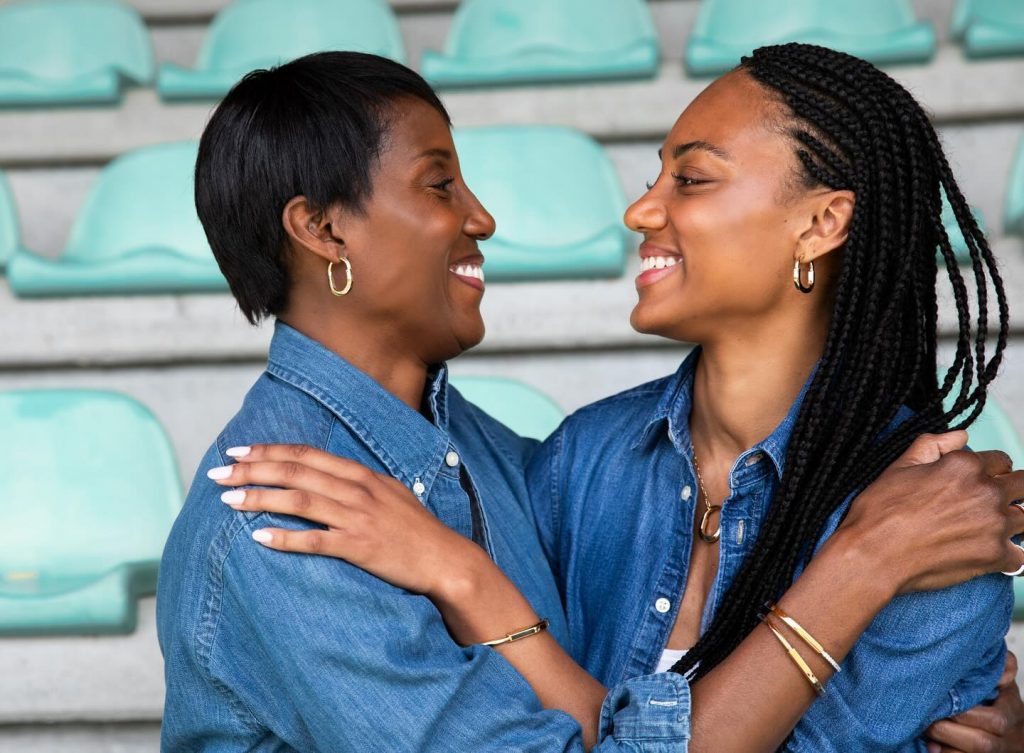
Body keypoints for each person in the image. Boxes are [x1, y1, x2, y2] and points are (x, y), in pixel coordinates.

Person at [158, 50, 1024, 752]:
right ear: (323, 229)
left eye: (691, 179)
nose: (638, 209)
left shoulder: (506, 462)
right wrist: (863, 563)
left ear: (821, 223)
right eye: (439, 184)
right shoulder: (282, 514)